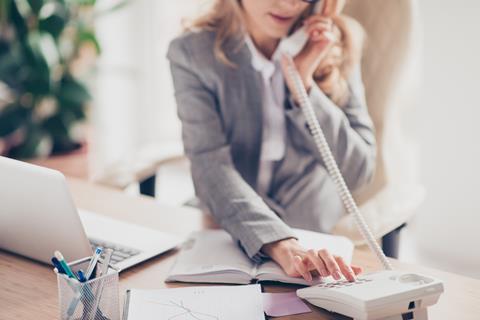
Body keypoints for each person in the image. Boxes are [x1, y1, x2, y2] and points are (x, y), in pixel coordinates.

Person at [167, 0, 376, 282]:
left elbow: (359, 172)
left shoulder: (335, 42)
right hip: (229, 227)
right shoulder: (192, 52)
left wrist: (304, 86)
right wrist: (278, 242)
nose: (290, 3)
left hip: (311, 233)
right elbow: (209, 165)